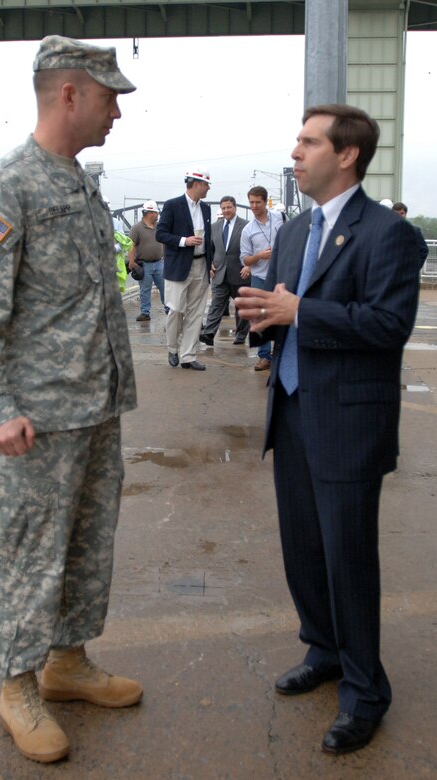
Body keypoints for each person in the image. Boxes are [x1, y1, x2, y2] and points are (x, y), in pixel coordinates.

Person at [0, 35, 143, 765]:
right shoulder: (10, 185)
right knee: (28, 554)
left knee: (87, 547)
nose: (117, 110)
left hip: (94, 406)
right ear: (70, 94)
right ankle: (17, 684)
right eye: (109, 96)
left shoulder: (81, 184)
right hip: (34, 420)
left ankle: (67, 662)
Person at [235, 104, 420, 755]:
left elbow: (386, 326)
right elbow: (289, 308)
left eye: (308, 142)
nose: (295, 153)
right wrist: (265, 318)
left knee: (347, 559)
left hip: (346, 421)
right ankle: (324, 650)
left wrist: (300, 310)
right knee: (305, 550)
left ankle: (367, 691)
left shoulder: (389, 235)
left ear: (346, 155)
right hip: (291, 411)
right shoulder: (294, 231)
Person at [156, 169, 212, 371]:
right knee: (176, 310)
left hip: (201, 265)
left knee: (196, 313)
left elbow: (209, 238)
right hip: (178, 266)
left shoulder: (205, 209)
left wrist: (210, 261)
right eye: (207, 184)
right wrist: (184, 241)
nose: (208, 188)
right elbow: (160, 234)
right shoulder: (172, 205)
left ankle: (188, 355)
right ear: (196, 184)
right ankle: (172, 348)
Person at [239, 186, 283, 370]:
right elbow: (245, 258)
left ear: (266, 201)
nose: (254, 206)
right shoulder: (248, 230)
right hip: (260, 277)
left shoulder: (280, 219)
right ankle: (264, 356)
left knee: (282, 315)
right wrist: (259, 256)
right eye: (251, 203)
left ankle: (281, 353)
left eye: (258, 202)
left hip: (282, 275)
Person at [199, 196, 249, 346]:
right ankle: (209, 334)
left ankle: (240, 336)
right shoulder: (214, 227)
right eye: (224, 208)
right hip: (219, 273)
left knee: (241, 307)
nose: (226, 210)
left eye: (229, 207)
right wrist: (210, 263)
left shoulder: (246, 226)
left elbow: (252, 248)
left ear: (235, 208)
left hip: (240, 273)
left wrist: (249, 265)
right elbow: (210, 249)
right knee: (216, 304)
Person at [128, 200, 166, 321]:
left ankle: (169, 309)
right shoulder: (137, 228)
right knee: (145, 290)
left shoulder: (159, 227)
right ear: (150, 213)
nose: (158, 215)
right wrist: (131, 261)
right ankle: (145, 312)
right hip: (145, 265)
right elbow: (131, 245)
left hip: (160, 263)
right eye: (156, 212)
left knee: (165, 288)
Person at [393, 201, 429, 267]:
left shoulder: (415, 231)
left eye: (402, 213)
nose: (399, 216)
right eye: (396, 213)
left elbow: (424, 251)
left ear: (405, 214)